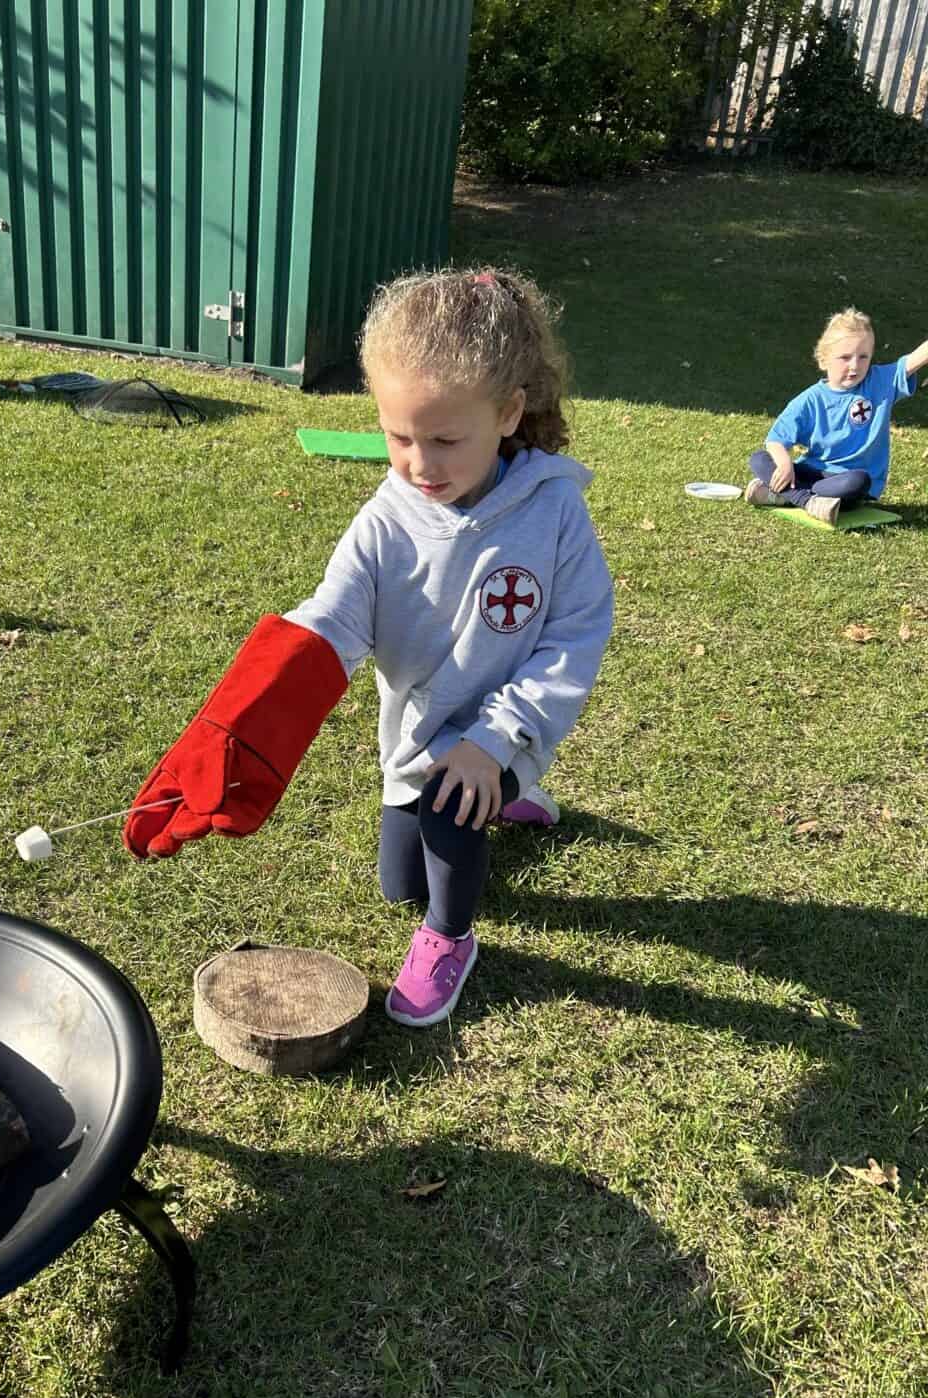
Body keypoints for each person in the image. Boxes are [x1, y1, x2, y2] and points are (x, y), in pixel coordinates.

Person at [125, 268, 613, 1028]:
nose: (420, 464)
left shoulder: (553, 511)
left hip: (505, 727)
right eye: (399, 437)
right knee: (400, 885)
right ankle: (509, 803)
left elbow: (574, 637)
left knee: (452, 811)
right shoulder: (389, 514)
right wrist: (246, 716)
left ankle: (452, 934)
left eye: (446, 440)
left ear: (509, 413)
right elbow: (335, 614)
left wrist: (494, 744)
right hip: (417, 730)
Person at [745, 307, 926, 525]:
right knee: (759, 459)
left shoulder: (879, 382)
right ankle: (807, 501)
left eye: (863, 357)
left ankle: (783, 495)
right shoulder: (811, 399)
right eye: (845, 357)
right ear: (824, 359)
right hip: (811, 473)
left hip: (845, 482)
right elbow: (776, 439)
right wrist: (784, 465)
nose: (855, 366)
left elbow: (915, 359)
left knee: (859, 481)